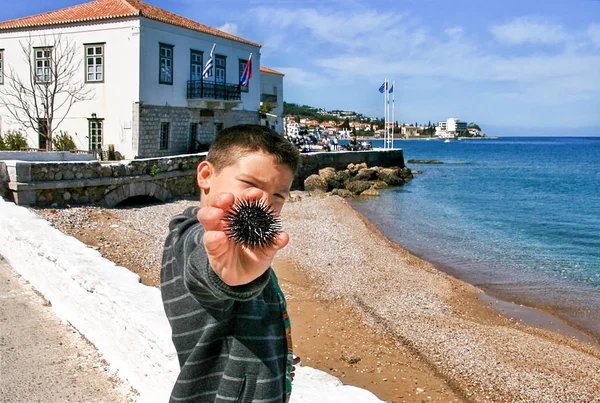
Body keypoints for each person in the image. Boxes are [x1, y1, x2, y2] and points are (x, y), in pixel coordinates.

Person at [160, 125, 301, 403]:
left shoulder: (249, 251)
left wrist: (281, 356)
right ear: (206, 176)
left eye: (278, 196)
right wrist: (227, 276)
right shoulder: (189, 237)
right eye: (250, 185)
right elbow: (204, 261)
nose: (262, 202)